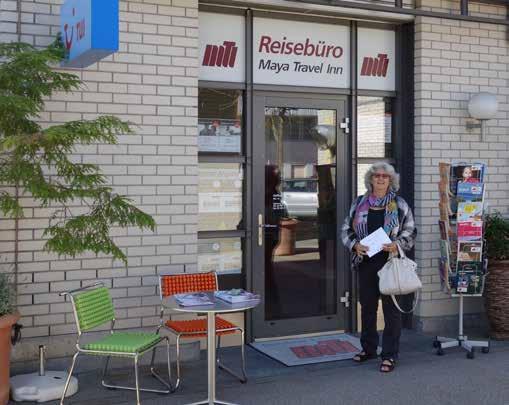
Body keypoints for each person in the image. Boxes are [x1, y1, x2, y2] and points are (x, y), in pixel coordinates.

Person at [341, 162, 417, 373]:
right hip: (366, 263)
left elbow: (410, 230)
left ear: (391, 180)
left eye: (385, 176)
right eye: (377, 176)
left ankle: (389, 354)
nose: (381, 179)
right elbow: (346, 229)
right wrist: (354, 245)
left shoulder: (399, 204)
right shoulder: (359, 203)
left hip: (390, 263)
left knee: (391, 311)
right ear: (371, 179)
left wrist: (397, 244)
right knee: (367, 308)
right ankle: (368, 349)